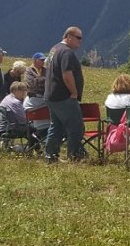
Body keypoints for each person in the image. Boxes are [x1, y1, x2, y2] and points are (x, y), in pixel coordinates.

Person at [44, 26, 86, 163]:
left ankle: (50, 155)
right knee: (76, 126)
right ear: (69, 37)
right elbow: (67, 74)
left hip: (51, 95)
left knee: (56, 126)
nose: (80, 41)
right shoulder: (66, 52)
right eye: (78, 38)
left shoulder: (54, 49)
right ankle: (74, 156)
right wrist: (74, 92)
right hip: (64, 96)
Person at [23, 52, 49, 151]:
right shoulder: (29, 70)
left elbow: (49, 83)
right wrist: (43, 81)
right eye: (41, 60)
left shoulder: (46, 70)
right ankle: (37, 144)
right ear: (35, 60)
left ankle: (40, 142)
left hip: (44, 99)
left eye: (43, 60)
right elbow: (31, 84)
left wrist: (39, 80)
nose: (43, 62)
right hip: (33, 100)